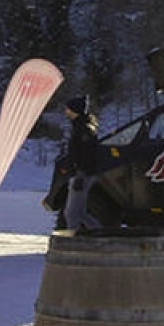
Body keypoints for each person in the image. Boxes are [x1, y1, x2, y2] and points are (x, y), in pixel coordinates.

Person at [57, 95, 100, 231]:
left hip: (82, 175)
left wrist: (80, 174)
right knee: (80, 213)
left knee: (71, 213)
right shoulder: (79, 127)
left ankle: (73, 238)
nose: (66, 111)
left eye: (68, 109)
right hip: (81, 174)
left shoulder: (83, 130)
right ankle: (99, 232)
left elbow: (87, 155)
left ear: (75, 110)